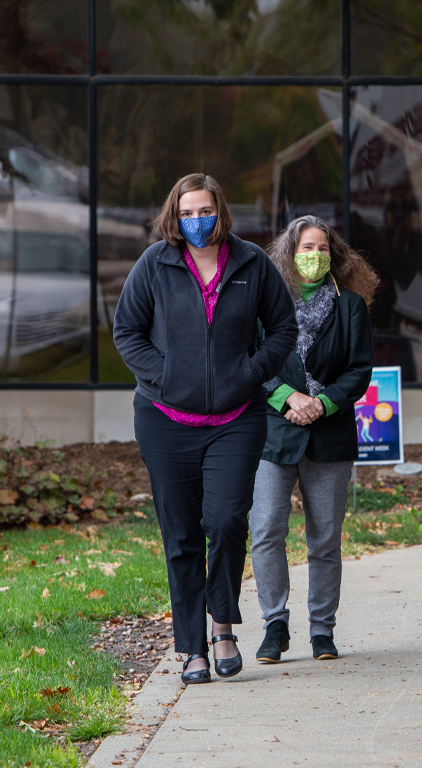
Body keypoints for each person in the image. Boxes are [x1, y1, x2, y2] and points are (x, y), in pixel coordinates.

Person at [113, 173, 298, 684]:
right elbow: (126, 331)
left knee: (225, 522)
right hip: (164, 420)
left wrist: (253, 371)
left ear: (222, 212)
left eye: (206, 211)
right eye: (188, 212)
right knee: (182, 535)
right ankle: (193, 646)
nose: (198, 221)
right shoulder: (155, 263)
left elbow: (283, 327)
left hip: (235, 420)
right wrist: (164, 376)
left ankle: (223, 623)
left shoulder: (252, 263)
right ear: (175, 215)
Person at [249, 215, 377, 663]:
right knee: (265, 530)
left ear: (335, 255)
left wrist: (322, 403)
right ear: (289, 252)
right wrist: (287, 398)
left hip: (330, 435)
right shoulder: (266, 303)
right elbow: (250, 361)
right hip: (272, 434)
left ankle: (322, 630)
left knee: (325, 540)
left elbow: (360, 371)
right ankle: (274, 624)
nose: (315, 256)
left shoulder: (351, 306)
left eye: (323, 248)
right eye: (307, 247)